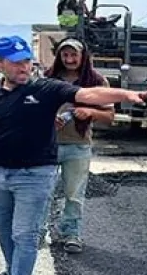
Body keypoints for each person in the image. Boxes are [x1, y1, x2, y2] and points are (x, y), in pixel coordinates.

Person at [0, 35, 147, 275]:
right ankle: (12, 272)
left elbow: (89, 95)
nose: (23, 67)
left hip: (35, 175)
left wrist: (126, 95)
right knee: (2, 228)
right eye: (16, 63)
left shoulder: (46, 88)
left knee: (25, 234)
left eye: (26, 61)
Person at [41, 38, 114, 253]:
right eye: (65, 55)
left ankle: (71, 233)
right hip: (48, 145)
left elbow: (110, 115)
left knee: (74, 194)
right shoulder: (48, 78)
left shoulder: (97, 81)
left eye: (74, 55)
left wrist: (90, 112)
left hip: (78, 146)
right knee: (42, 192)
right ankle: (39, 233)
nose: (69, 59)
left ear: (83, 56)